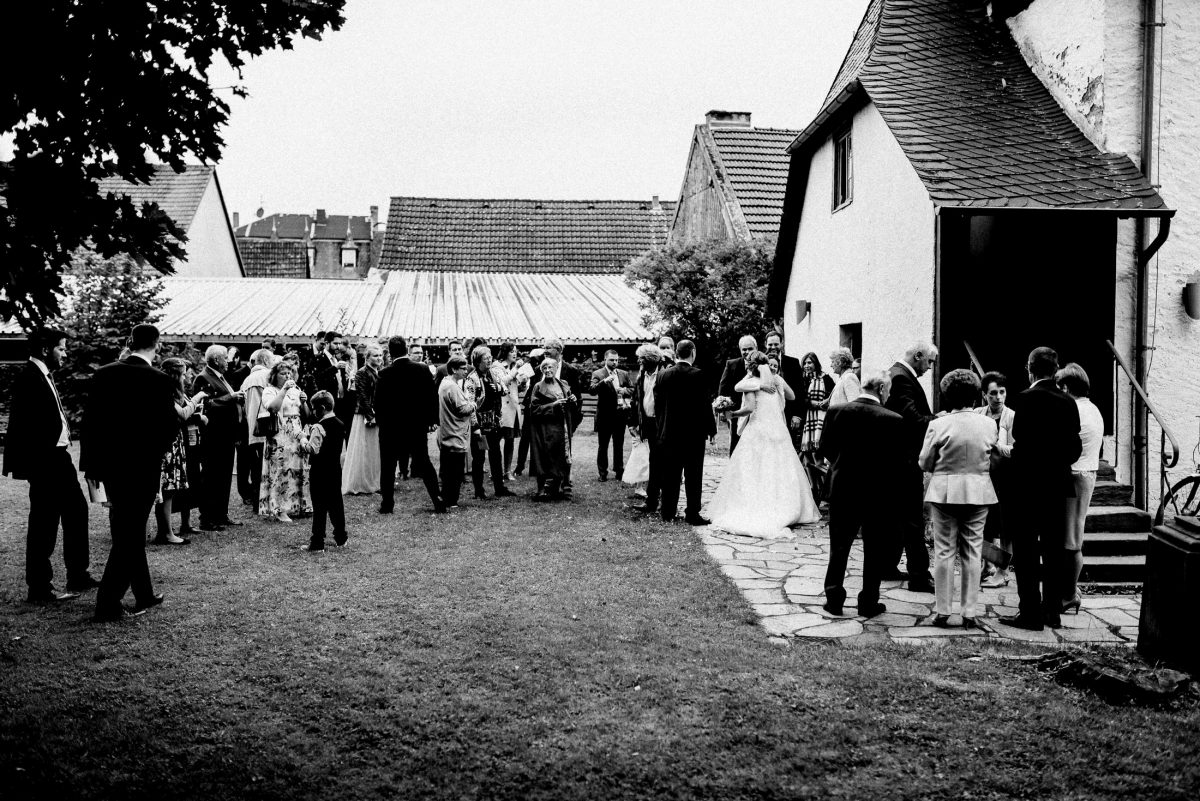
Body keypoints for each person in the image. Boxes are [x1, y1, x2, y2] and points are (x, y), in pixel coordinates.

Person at [81, 324, 179, 622]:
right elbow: (169, 428)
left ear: (130, 341)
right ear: (156, 345)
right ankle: (107, 604)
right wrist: (154, 453)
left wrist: (91, 468)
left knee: (128, 530)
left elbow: (90, 425)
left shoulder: (104, 373)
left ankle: (144, 592)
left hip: (111, 468)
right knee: (129, 536)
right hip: (142, 468)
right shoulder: (160, 380)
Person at [3, 327, 99, 601]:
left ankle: (77, 574)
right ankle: (40, 587)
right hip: (46, 460)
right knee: (44, 522)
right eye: (62, 348)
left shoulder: (43, 376)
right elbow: (25, 427)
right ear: (46, 349)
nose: (65, 354)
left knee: (76, 511)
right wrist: (38, 464)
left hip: (59, 457)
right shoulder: (30, 377)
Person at [1001, 347, 1082, 632]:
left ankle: (1030, 613)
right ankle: (1052, 611)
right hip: (1057, 485)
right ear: (1056, 369)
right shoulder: (1068, 402)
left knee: (1025, 550)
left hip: (1027, 486)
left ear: (1030, 368)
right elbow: (1075, 449)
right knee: (1053, 550)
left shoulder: (1024, 400)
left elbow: (1021, 443)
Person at [818, 372, 904, 618]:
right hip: (877, 491)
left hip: (843, 486)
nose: (888, 395)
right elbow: (896, 460)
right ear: (879, 388)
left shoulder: (837, 411)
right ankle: (868, 601)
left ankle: (834, 598)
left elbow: (826, 448)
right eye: (887, 390)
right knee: (875, 547)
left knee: (839, 546)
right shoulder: (893, 419)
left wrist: (844, 465)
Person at [707, 352, 819, 537]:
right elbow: (791, 396)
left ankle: (757, 506)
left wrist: (733, 414)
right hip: (778, 431)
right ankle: (788, 508)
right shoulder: (776, 380)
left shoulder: (751, 383)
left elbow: (749, 407)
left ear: (752, 365)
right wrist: (777, 383)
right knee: (780, 470)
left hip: (758, 430)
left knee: (755, 470)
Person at [919, 369, 998, 628]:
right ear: (976, 396)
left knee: (943, 551)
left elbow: (925, 462)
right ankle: (969, 612)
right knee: (973, 551)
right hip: (978, 490)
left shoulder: (938, 425)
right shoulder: (988, 424)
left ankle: (942, 610)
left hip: (944, 490)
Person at [884, 342, 939, 593]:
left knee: (897, 516)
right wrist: (941, 419)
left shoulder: (898, 374)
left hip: (899, 459)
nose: (930, 367)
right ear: (918, 356)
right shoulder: (901, 378)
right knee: (912, 519)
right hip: (904, 460)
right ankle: (918, 575)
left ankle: (887, 565)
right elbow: (912, 419)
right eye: (929, 361)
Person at [376, 336, 444, 513]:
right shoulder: (422, 369)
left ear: (390, 353)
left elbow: (379, 404)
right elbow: (432, 397)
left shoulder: (384, 373)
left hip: (391, 428)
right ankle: (437, 499)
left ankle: (387, 504)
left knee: (388, 466)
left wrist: (382, 425)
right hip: (416, 426)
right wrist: (431, 420)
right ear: (406, 349)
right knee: (424, 462)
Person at [1056, 362, 1104, 615]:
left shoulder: (1075, 409)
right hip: (1085, 473)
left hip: (1076, 475)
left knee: (1072, 540)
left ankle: (1069, 593)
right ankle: (1068, 590)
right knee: (1072, 535)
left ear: (1065, 387)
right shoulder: (1092, 408)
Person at [653, 340, 716, 525]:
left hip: (669, 433)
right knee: (693, 476)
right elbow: (705, 405)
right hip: (693, 435)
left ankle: (668, 512)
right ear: (693, 353)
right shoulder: (698, 375)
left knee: (670, 475)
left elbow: (658, 405)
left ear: (676, 354)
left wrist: (661, 427)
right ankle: (692, 514)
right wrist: (711, 429)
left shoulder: (663, 375)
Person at [152, 358, 207, 545]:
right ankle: (166, 533)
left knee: (170, 490)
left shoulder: (174, 392)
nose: (186, 377)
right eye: (183, 374)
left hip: (176, 442)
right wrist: (198, 398)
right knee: (167, 490)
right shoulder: (165, 391)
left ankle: (166, 531)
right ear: (175, 375)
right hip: (168, 445)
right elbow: (182, 414)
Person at [190, 344, 245, 532]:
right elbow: (206, 404)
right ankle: (207, 518)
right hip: (213, 437)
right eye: (224, 358)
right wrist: (231, 397)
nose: (228, 361)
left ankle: (221, 514)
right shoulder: (203, 378)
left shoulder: (221, 377)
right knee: (211, 477)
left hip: (227, 436)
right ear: (215, 360)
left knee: (224, 476)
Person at [258, 360, 312, 522]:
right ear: (275, 375)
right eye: (283, 373)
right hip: (279, 434)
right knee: (280, 470)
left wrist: (304, 401)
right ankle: (279, 508)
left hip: (296, 432)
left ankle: (298, 505)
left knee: (298, 469)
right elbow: (272, 408)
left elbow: (307, 416)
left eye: (289, 373)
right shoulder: (269, 390)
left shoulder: (296, 390)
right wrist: (284, 390)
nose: (287, 376)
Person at [976, 371, 1016, 588]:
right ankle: (987, 565)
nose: (998, 397)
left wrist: (999, 447)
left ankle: (1002, 571)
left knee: (1006, 526)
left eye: (1002, 392)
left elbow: (1017, 448)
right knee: (984, 523)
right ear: (985, 395)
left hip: (1006, 478)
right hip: (983, 476)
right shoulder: (978, 414)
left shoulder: (1012, 417)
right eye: (993, 393)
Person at [466, 345, 516, 499]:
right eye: (485, 358)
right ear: (477, 361)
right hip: (480, 425)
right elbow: (470, 404)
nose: (489, 361)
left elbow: (504, 389)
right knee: (479, 457)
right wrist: (475, 427)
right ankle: (479, 491)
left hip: (494, 422)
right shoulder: (472, 379)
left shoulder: (493, 373)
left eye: (490, 358)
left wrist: (499, 389)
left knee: (496, 455)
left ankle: (499, 488)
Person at [302, 391, 346, 552]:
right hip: (335, 469)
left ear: (321, 408)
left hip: (320, 471)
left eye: (314, 409)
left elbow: (313, 449)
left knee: (319, 506)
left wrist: (302, 440)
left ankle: (317, 542)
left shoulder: (318, 427)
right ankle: (341, 537)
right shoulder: (340, 424)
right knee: (336, 504)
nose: (313, 412)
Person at [529, 357, 576, 500]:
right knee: (545, 456)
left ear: (556, 369)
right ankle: (542, 489)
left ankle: (565, 487)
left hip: (563, 426)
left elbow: (571, 407)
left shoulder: (564, 384)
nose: (548, 370)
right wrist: (553, 405)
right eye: (545, 368)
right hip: (546, 428)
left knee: (565, 455)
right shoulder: (538, 386)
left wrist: (572, 400)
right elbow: (534, 409)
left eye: (551, 367)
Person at [628, 344, 665, 514]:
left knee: (662, 463)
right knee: (653, 462)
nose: (638, 361)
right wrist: (632, 423)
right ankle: (651, 502)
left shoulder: (665, 373)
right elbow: (636, 400)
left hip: (662, 424)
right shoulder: (642, 375)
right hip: (647, 424)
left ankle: (663, 501)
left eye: (641, 358)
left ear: (649, 359)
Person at [342, 344, 383, 495]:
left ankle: (374, 480)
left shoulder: (378, 372)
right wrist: (370, 415)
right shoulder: (362, 373)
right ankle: (360, 482)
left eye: (380, 356)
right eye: (375, 356)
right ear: (367, 357)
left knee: (374, 449)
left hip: (376, 413)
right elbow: (362, 395)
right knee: (364, 448)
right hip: (365, 414)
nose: (379, 358)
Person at [238, 348, 276, 508]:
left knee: (255, 466)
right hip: (265, 427)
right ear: (267, 361)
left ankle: (255, 499)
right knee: (264, 465)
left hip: (250, 429)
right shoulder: (267, 376)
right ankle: (263, 500)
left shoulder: (247, 380)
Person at [589, 349, 634, 482]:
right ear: (605, 360)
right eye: (612, 360)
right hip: (604, 416)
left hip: (620, 415)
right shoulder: (598, 373)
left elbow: (633, 390)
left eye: (616, 360)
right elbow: (592, 390)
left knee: (618, 445)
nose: (615, 362)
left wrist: (624, 390)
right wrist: (604, 382)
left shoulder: (624, 374)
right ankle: (602, 473)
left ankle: (619, 471)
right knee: (603, 445)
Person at [437, 356, 476, 508]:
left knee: (448, 468)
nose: (466, 372)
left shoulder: (445, 383)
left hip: (448, 432)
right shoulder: (452, 386)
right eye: (463, 369)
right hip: (455, 433)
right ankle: (451, 499)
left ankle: (446, 497)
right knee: (455, 471)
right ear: (454, 369)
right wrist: (473, 403)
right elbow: (462, 409)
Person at [718, 335, 759, 455]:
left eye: (750, 348)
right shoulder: (731, 364)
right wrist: (725, 410)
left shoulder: (762, 364)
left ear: (756, 348)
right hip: (738, 413)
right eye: (744, 349)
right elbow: (723, 389)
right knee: (737, 445)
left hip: (758, 413)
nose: (747, 352)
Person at [764, 331, 806, 431]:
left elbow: (800, 390)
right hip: (765, 414)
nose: (773, 347)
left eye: (776, 344)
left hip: (788, 414)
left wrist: (797, 415)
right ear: (765, 344)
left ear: (781, 344)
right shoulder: (760, 362)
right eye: (770, 344)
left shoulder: (793, 363)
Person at [513, 348, 544, 476]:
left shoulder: (539, 369)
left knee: (532, 438)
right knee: (526, 437)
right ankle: (520, 466)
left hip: (537, 405)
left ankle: (532, 467)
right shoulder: (533, 369)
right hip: (531, 405)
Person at [495, 343, 522, 480]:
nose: (514, 354)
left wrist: (524, 381)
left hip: (513, 406)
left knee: (510, 441)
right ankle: (497, 471)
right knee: (497, 440)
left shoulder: (514, 367)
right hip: (502, 408)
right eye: (512, 351)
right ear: (505, 352)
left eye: (516, 351)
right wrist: (516, 370)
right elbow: (502, 382)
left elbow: (518, 388)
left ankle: (507, 471)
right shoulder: (497, 366)